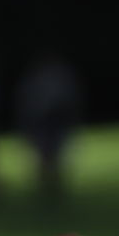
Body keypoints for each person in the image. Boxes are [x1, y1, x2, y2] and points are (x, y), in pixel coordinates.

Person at [17, 53, 82, 197]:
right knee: (45, 154)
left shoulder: (57, 79)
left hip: (56, 121)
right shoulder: (39, 81)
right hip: (43, 122)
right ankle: (47, 187)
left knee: (55, 154)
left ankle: (53, 186)